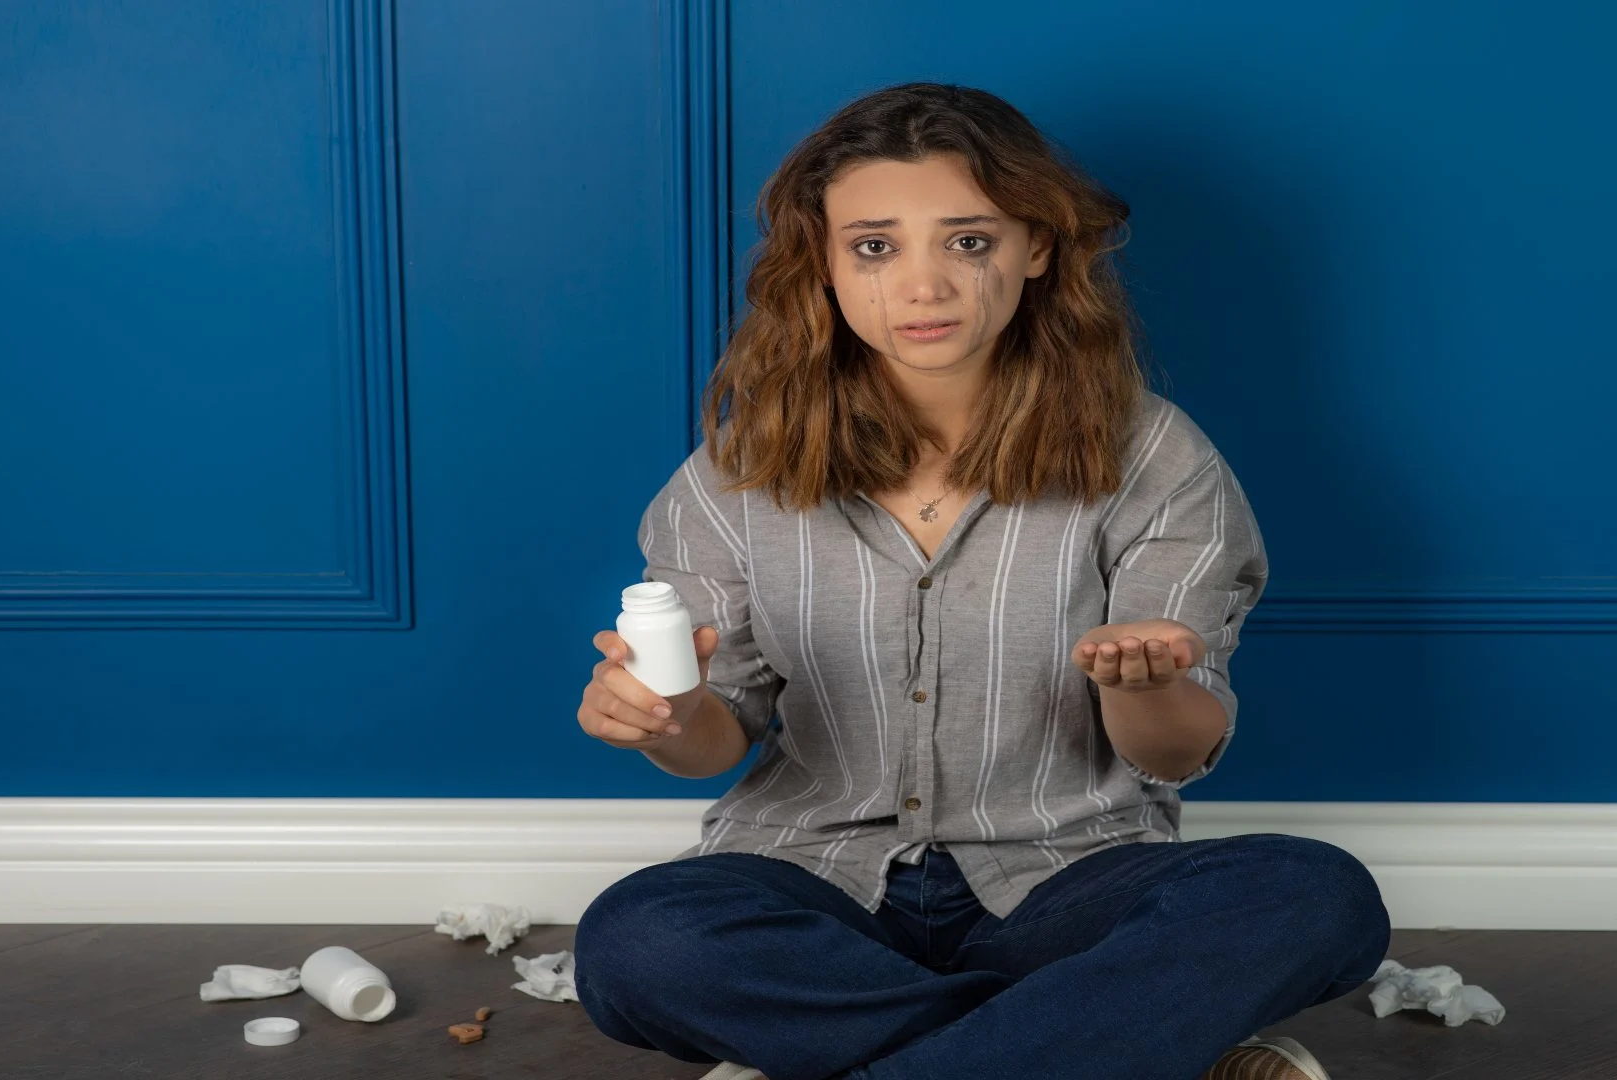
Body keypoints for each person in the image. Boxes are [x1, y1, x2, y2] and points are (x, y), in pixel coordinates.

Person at [572, 82, 1389, 1080]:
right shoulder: (737, 472)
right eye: (875, 246)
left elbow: (1175, 754)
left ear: (1036, 248)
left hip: (1068, 884)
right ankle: (1092, 1042)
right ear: (823, 263)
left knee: (1317, 896)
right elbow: (717, 741)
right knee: (639, 941)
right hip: (814, 880)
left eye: (968, 241)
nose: (924, 286)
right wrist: (668, 718)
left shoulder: (1155, 458)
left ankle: (845, 1052)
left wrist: (1146, 684)